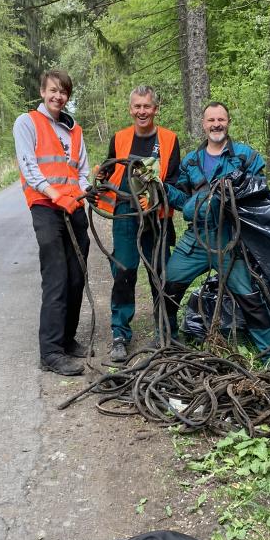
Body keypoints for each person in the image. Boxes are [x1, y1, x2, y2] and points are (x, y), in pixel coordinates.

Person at [163, 102, 270, 366]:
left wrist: (232, 190)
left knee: (248, 297)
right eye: (211, 120)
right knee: (168, 286)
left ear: (228, 122)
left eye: (221, 119)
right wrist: (159, 187)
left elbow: (259, 192)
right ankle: (168, 340)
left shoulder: (245, 156)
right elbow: (182, 200)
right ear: (203, 124)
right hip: (195, 239)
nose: (216, 124)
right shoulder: (191, 161)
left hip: (230, 239)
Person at [13, 69, 91, 376]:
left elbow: (82, 170)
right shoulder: (27, 123)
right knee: (57, 276)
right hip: (46, 208)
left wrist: (82, 194)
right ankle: (51, 352)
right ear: (43, 92)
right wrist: (56, 195)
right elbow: (29, 167)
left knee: (77, 276)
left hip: (74, 208)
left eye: (63, 92)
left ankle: (67, 338)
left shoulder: (74, 130)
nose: (58, 96)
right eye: (53, 90)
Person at [97, 85, 181, 362]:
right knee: (123, 272)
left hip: (156, 218)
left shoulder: (169, 139)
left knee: (160, 272)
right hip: (125, 215)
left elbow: (175, 181)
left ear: (155, 109)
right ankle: (120, 334)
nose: (142, 111)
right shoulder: (119, 138)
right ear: (130, 109)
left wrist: (156, 196)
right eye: (137, 106)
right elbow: (109, 171)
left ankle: (165, 330)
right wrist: (98, 179)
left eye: (147, 106)